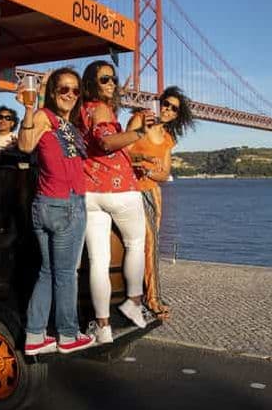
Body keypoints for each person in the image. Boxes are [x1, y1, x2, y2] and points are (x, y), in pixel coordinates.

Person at [17, 68, 95, 354]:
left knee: (48, 272)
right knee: (65, 274)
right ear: (52, 92)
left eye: (76, 91)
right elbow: (25, 145)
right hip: (65, 205)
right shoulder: (44, 116)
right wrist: (29, 106)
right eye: (64, 89)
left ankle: (35, 336)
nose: (71, 95)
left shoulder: (66, 124)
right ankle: (68, 334)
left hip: (48, 204)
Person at [77, 60, 155, 343]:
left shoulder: (80, 110)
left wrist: (133, 156)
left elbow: (98, 149)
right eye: (104, 80)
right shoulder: (100, 109)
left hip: (90, 192)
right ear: (91, 85)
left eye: (113, 79)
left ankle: (103, 327)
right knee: (136, 244)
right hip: (119, 190)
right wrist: (140, 132)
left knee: (99, 260)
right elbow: (107, 143)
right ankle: (133, 304)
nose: (111, 84)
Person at [126, 86, 195, 318]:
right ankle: (151, 297)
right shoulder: (140, 119)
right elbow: (124, 152)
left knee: (151, 243)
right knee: (147, 242)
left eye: (173, 108)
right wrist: (144, 163)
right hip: (131, 190)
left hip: (153, 192)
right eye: (165, 103)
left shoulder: (168, 139)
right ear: (159, 102)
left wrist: (147, 172)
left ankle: (151, 295)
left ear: (177, 115)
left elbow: (165, 174)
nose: (167, 109)